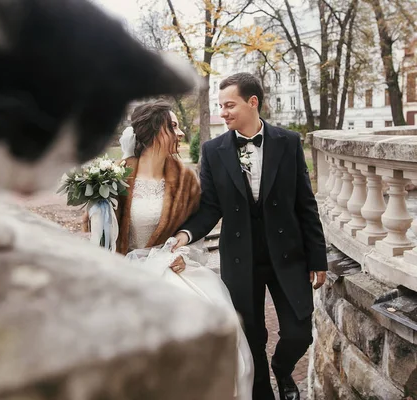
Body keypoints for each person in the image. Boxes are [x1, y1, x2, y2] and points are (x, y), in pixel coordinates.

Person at [173, 73, 327, 400]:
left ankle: (283, 371)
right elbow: (211, 206)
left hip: (288, 254)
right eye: (220, 106)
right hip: (240, 259)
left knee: (300, 333)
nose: (223, 112)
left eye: (229, 105)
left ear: (252, 102)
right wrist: (185, 234)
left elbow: (305, 203)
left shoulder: (288, 142)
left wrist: (318, 258)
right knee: (251, 337)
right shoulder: (213, 151)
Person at [112, 100, 254, 399]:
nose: (180, 133)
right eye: (173, 126)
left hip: (173, 270)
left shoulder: (186, 180)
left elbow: (196, 232)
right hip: (125, 275)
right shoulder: (117, 177)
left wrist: (183, 254)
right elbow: (101, 235)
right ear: (153, 131)